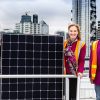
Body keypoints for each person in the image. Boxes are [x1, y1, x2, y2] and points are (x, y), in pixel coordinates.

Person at [64, 23, 86, 100]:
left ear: (77, 32)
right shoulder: (64, 43)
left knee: (73, 95)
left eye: (75, 31)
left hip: (75, 73)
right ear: (68, 32)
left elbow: (82, 60)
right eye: (71, 31)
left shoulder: (82, 44)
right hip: (64, 73)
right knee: (64, 95)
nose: (73, 33)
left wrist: (80, 71)